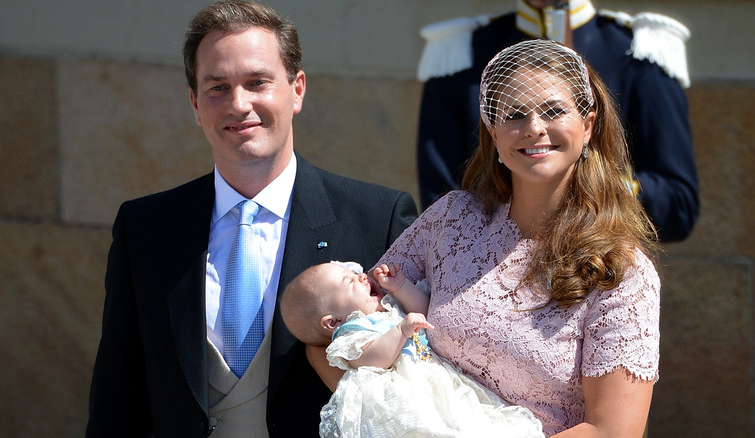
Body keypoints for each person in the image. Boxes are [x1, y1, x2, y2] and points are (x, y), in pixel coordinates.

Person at [85, 1, 417, 437]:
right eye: (217, 87)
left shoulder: (378, 218)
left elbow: (422, 385)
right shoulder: (144, 228)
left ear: (297, 89)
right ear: (195, 103)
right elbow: (118, 398)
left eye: (257, 82)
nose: (239, 104)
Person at [377, 39, 661, 436]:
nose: (533, 129)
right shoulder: (451, 218)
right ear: (493, 134)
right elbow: (356, 311)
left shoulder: (623, 273)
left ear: (589, 125)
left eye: (553, 111)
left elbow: (611, 431)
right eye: (513, 115)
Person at [416, 0, 698, 242]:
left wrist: (596, 185)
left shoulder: (639, 52)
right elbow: (441, 202)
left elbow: (678, 207)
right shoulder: (462, 54)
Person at [280, 261, 544, 437]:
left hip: (435, 381)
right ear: (332, 322)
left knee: (464, 420)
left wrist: (401, 287)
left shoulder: (388, 306)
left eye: (356, 274)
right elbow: (370, 359)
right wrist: (400, 331)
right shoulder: (351, 332)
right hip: (402, 394)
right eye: (350, 283)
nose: (362, 276)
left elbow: (424, 310)